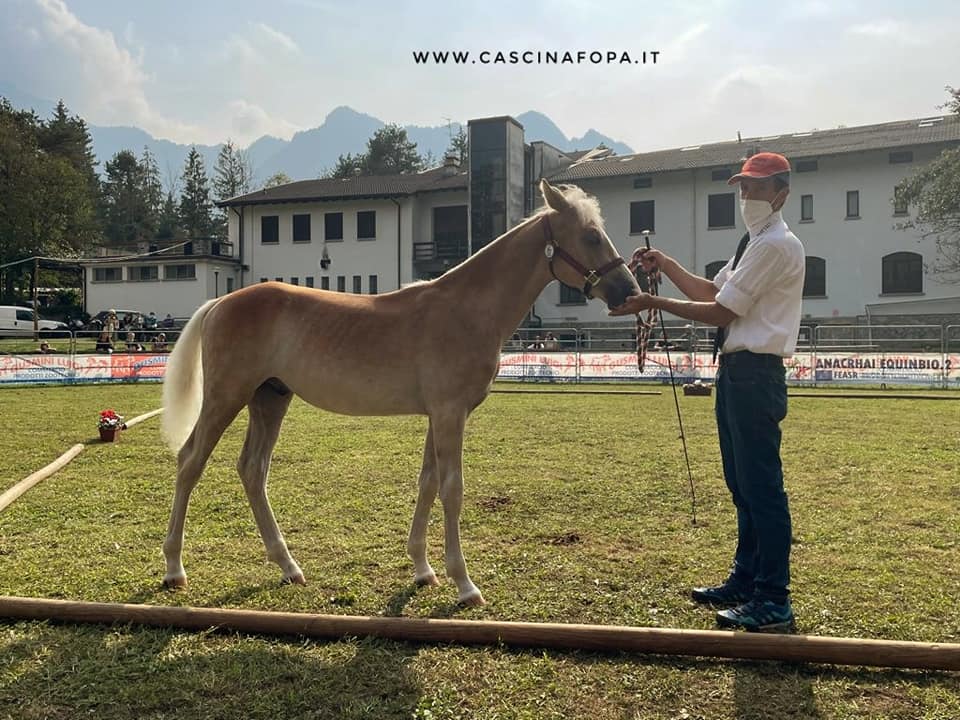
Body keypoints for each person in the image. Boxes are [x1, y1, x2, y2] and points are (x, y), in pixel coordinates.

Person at [610, 152, 805, 633]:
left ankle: (773, 597)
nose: (746, 197)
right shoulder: (752, 243)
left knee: (762, 488)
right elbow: (707, 291)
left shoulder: (775, 245)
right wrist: (667, 263)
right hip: (738, 373)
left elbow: (721, 313)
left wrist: (651, 299)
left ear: (780, 193)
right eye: (742, 188)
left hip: (756, 374)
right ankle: (747, 578)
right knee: (742, 485)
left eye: (755, 189)